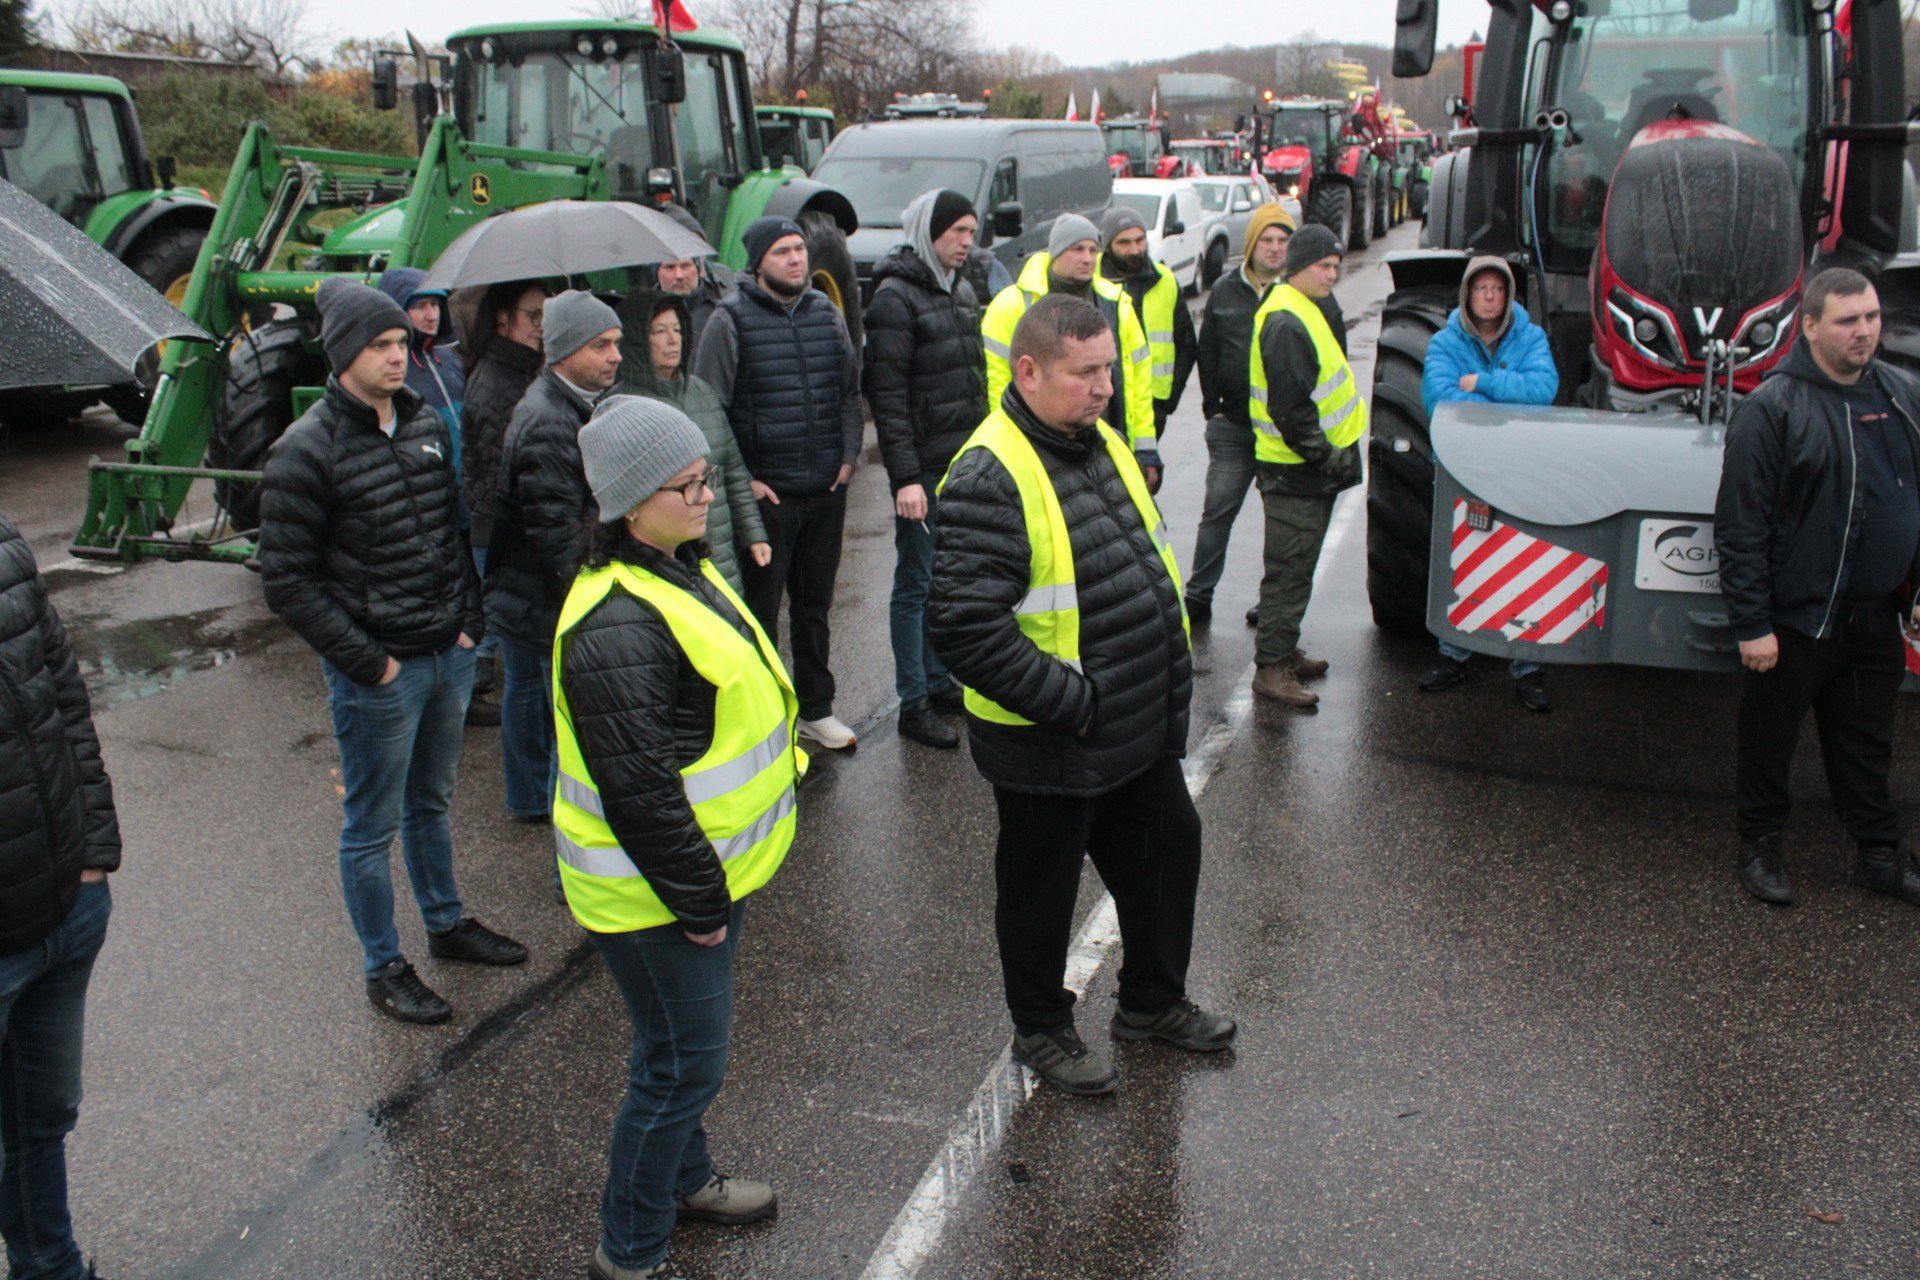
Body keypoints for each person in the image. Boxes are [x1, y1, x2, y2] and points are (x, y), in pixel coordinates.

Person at [930, 294, 1233, 1098]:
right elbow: (965, 631)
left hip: (1127, 722)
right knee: (1041, 893)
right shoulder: (991, 472)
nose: (1105, 387)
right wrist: (1076, 704)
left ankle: (1151, 1003)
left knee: (1170, 851)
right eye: (1085, 372)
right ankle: (1041, 1030)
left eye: (1110, 368)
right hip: (1054, 738)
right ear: (1027, 371)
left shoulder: (1094, 441)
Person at [555, 397, 798, 1280]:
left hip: (688, 882)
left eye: (704, 478)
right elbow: (640, 792)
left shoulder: (670, 567)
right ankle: (629, 1251)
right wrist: (701, 901)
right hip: (656, 896)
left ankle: (686, 1182)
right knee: (680, 1070)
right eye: (687, 485)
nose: (707, 498)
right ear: (627, 502)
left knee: (671, 1052)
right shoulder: (618, 622)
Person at [261, 279, 526, 1024]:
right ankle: (384, 966)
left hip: (446, 651)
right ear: (343, 352)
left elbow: (452, 529)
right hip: (381, 673)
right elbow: (286, 581)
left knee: (432, 802)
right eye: (379, 346)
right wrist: (368, 662)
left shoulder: (420, 424)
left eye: (400, 345)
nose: (396, 357)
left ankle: (446, 924)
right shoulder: (303, 450)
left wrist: (468, 623)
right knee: (371, 826)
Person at [1714, 267, 1920, 908]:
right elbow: (1741, 524)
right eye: (1847, 320)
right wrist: (1752, 623)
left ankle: (1880, 857)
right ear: (1808, 327)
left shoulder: (1904, 393)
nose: (1864, 332)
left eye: (1872, 317)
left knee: (1866, 746)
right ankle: (1760, 849)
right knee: (1770, 742)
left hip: (1873, 616)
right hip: (1796, 622)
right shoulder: (1771, 408)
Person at [694, 216, 864, 752]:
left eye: (799, 250)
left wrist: (848, 455)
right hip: (769, 498)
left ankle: (816, 709)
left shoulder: (826, 313)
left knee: (814, 609)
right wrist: (745, 483)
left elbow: (848, 393)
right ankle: (767, 719)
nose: (796, 260)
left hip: (824, 491)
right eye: (782, 252)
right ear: (758, 262)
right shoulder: (729, 320)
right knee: (761, 613)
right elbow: (710, 410)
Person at [0, 513, 118, 1280]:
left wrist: (95, 853)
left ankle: (51, 1268)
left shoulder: (6, 549)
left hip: (60, 909)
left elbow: (66, 702)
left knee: (41, 1122)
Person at [486, 290, 625, 825]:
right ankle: (565, 860)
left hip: (529, 598)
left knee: (533, 706)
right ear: (564, 351)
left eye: (616, 343)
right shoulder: (550, 420)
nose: (615, 355)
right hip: (546, 602)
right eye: (601, 345)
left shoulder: (564, 404)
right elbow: (557, 540)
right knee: (566, 733)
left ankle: (527, 802)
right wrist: (596, 603)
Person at [864, 188, 988, 750]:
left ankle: (940, 681)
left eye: (971, 231)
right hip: (922, 472)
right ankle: (912, 702)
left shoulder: (959, 288)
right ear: (927, 232)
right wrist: (904, 479)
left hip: (959, 463)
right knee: (915, 585)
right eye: (957, 231)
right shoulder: (895, 297)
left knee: (944, 581)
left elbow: (971, 381)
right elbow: (887, 398)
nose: (967, 242)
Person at [1417, 256, 1561, 710]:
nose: (1489, 296)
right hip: (1463, 466)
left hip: (1519, 467)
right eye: (1481, 288)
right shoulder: (1444, 343)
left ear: (1509, 296)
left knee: (1527, 559)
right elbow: (1441, 399)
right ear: (1467, 293)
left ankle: (1526, 664)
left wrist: (1483, 382)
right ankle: (1454, 653)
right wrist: (1506, 396)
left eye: (1498, 289)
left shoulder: (1531, 337)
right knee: (1461, 557)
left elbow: (1543, 391)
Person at [1247, 224, 1365, 708]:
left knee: (1299, 566)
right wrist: (1331, 458)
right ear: (1299, 266)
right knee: (1289, 568)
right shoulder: (1286, 321)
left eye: (1337, 266)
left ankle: (1283, 647)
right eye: (1324, 266)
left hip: (1304, 471)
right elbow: (1292, 413)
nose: (1332, 274)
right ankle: (1271, 668)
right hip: (1296, 471)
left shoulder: (1301, 308)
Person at [981, 214, 1161, 488]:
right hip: (1040, 444)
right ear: (1055, 253)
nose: (1088, 258)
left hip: (1106, 441)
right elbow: (997, 385)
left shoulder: (1117, 303)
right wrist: (1011, 451)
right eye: (1077, 249)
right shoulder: (1011, 305)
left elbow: (1138, 381)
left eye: (1093, 250)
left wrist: (1145, 448)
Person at [1186, 202, 1294, 625]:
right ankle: (1198, 594)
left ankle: (1271, 602)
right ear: (1251, 244)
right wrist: (1212, 408)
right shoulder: (1227, 291)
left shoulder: (1298, 291)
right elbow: (1207, 350)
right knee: (1217, 512)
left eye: (1283, 241)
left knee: (1281, 524)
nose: (1274, 248)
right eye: (1267, 240)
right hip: (1232, 428)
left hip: (1284, 434)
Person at [618, 293, 770, 592]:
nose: (672, 340)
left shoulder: (702, 391)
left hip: (720, 554)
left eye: (677, 330)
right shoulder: (624, 406)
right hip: (664, 559)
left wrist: (754, 533)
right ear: (638, 339)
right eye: (659, 331)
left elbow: (734, 471)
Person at [460, 280, 551, 727]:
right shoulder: (499, 382)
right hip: (503, 531)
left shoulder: (523, 371)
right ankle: (468, 694)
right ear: (502, 318)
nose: (541, 326)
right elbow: (506, 475)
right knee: (514, 653)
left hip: (507, 528)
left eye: (547, 316)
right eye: (533, 316)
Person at [1097, 205, 1197, 435]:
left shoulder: (1165, 280)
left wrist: (1168, 399)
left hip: (1152, 406)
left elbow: (1187, 346)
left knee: (1147, 469)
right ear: (1108, 245)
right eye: (1124, 242)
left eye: (1139, 240)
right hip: (1105, 403)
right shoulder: (1091, 280)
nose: (1134, 249)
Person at [616, 203, 732, 372]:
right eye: (669, 267)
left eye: (685, 266)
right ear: (657, 272)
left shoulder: (722, 309)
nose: (679, 275)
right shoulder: (638, 317)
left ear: (698, 267)